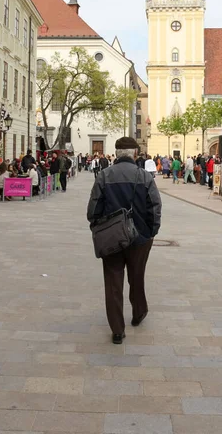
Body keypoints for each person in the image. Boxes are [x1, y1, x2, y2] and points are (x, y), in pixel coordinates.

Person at [87, 136, 162, 344]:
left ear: (116, 154)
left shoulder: (104, 176)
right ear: (135, 154)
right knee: (137, 277)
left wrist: (98, 227)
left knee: (113, 282)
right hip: (139, 238)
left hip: (111, 237)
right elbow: (155, 207)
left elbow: (93, 209)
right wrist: (151, 232)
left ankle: (117, 329)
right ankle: (138, 312)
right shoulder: (144, 177)